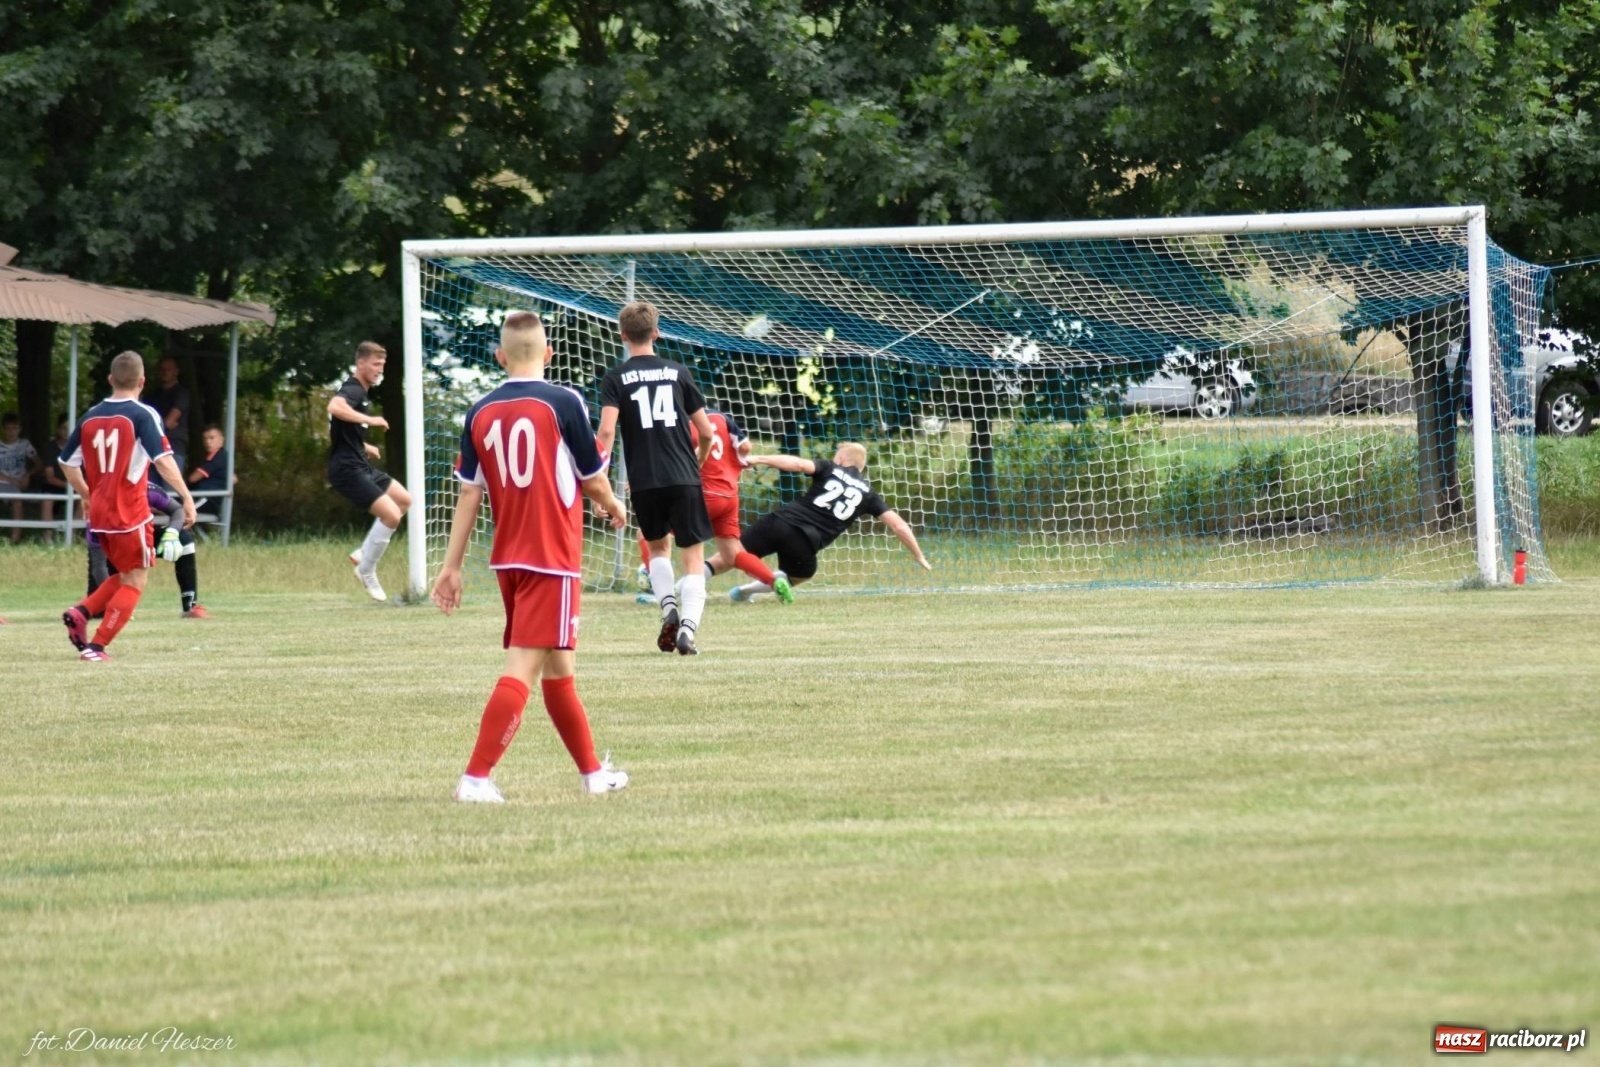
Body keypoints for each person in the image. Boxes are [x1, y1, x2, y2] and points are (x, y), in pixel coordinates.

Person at [431, 311, 631, 802]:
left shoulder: (478, 410)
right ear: (549, 354)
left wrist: (452, 566)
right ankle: (476, 778)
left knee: (559, 667)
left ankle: (591, 774)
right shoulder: (565, 401)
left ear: (500, 357)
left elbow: (469, 496)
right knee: (523, 666)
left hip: (509, 558)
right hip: (552, 555)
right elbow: (593, 477)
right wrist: (611, 505)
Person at [58, 351, 197, 662]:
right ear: (142, 381)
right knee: (137, 579)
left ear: (110, 379)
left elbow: (66, 463)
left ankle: (81, 611)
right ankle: (97, 646)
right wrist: (186, 497)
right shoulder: (142, 415)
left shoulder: (90, 416)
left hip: (101, 514)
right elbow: (163, 461)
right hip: (130, 512)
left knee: (124, 574)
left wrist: (87, 495)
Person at [596, 301, 717, 655]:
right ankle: (689, 631)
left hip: (644, 481)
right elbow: (707, 432)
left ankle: (668, 610)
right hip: (683, 477)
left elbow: (605, 432)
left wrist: (599, 483)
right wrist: (696, 463)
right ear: (656, 332)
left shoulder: (615, 378)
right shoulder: (678, 372)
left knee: (657, 547)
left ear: (622, 335)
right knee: (693, 557)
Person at [711, 442, 931, 599]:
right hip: (805, 542)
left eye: (837, 455)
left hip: (780, 521)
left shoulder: (830, 467)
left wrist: (760, 459)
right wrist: (919, 555)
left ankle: (684, 587)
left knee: (728, 557)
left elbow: (797, 464)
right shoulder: (868, 494)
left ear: (842, 459)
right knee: (799, 575)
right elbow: (898, 525)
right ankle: (746, 591)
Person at [634, 409, 792, 602]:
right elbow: (745, 447)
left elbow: (674, 461)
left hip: (703, 495)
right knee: (732, 553)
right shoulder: (721, 417)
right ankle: (772, 580)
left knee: (646, 533)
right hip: (729, 495)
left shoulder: (679, 423)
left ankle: (658, 590)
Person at [327, 341, 412, 601]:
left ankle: (364, 553)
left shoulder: (362, 392)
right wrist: (370, 419)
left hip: (360, 462)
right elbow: (334, 407)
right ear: (361, 363)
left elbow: (335, 426)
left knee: (404, 501)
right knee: (391, 516)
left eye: (382, 365)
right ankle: (367, 570)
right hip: (347, 469)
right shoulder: (353, 389)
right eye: (375, 364)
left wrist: (363, 444)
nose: (379, 370)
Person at [85, 485, 209, 619]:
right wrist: (113, 603)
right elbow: (99, 565)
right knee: (101, 612)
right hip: (113, 550)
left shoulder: (146, 489)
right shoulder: (99, 508)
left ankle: (190, 606)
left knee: (183, 538)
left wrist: (172, 532)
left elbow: (177, 510)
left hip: (141, 538)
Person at [142, 356, 190, 474]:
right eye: (162, 369)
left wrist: (155, 426)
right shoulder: (152, 396)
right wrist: (163, 425)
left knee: (170, 492)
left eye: (168, 369)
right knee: (152, 491)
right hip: (152, 450)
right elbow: (145, 422)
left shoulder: (182, 394)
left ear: (176, 371)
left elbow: (168, 421)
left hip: (173, 450)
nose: (165, 372)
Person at [0, 412, 40, 544]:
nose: (11, 432)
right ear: (3, 429)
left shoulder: (25, 444)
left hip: (19, 483)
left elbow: (39, 464)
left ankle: (14, 539)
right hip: (4, 481)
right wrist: (11, 480)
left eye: (15, 428)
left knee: (17, 501)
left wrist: (27, 475)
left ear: (20, 429)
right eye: (8, 428)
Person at [32, 415, 70, 544]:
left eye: (70, 428)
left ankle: (72, 536)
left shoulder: (79, 447)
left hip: (74, 485)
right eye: (64, 428)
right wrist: (69, 486)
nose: (67, 431)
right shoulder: (50, 447)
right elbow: (50, 477)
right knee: (47, 498)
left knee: (87, 497)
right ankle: (48, 538)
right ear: (58, 429)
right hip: (55, 486)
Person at [187, 423, 235, 515]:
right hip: (202, 496)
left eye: (212, 438)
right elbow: (234, 478)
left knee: (176, 510)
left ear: (221, 440)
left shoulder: (218, 457)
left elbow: (192, 478)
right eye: (205, 438)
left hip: (207, 499)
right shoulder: (220, 456)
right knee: (167, 506)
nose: (208, 442)